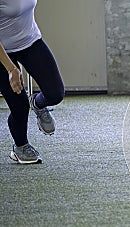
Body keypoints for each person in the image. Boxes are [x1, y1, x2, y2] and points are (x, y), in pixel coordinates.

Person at [0, 0, 64, 164]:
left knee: (55, 94)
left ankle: (37, 103)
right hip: (3, 53)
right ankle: (21, 147)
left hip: (31, 42)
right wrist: (11, 69)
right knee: (19, 106)